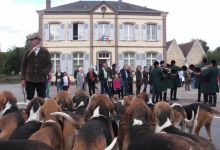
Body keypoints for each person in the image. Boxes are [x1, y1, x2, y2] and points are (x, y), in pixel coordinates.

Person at [20, 33, 52, 102]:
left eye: (32, 40)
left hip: (42, 79)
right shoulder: (28, 52)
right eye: (30, 40)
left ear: (38, 40)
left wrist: (45, 72)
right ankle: (28, 112)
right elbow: (23, 66)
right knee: (29, 98)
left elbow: (49, 64)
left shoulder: (45, 52)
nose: (30, 41)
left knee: (41, 99)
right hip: (30, 79)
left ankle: (40, 112)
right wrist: (22, 78)